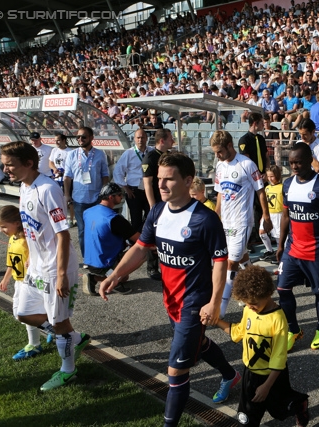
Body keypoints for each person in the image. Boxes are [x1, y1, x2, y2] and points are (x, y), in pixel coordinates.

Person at [99, 152, 242, 426]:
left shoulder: (205, 219)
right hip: (171, 300)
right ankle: (229, 375)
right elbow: (141, 248)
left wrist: (214, 301)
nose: (161, 185)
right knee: (198, 345)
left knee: (175, 372)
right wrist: (115, 275)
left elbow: (220, 263)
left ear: (188, 180)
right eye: (159, 179)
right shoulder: (157, 211)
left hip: (194, 303)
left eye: (169, 179)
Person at [1, 140, 89, 391]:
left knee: (59, 322)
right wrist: (30, 255)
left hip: (54, 268)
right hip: (36, 266)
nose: (6, 169)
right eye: (5, 165)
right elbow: (32, 226)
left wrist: (61, 274)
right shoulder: (25, 187)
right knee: (22, 313)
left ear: (29, 163)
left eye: (10, 165)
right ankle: (73, 338)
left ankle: (68, 370)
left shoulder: (48, 189)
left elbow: (63, 234)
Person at [211, 266, 310, 427]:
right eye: (246, 303)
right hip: (250, 373)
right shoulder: (249, 310)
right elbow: (238, 332)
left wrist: (266, 386)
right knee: (246, 418)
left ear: (267, 294)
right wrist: (216, 321)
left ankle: (299, 405)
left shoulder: (277, 319)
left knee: (280, 411)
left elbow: (279, 357)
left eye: (253, 303)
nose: (250, 306)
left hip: (273, 376)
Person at [276, 143, 319, 351]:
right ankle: (293, 330)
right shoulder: (287, 184)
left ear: (309, 161)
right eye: (291, 163)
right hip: (293, 249)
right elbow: (286, 216)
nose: (294, 166)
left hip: (317, 250)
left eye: (298, 162)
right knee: (282, 289)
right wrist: (280, 244)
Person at [211, 131, 272, 316]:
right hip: (226, 222)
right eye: (215, 152)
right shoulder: (220, 166)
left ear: (230, 145)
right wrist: (216, 215)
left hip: (242, 221)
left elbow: (261, 190)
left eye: (219, 151)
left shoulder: (247, 164)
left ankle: (220, 309)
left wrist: (266, 217)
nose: (217, 155)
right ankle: (261, 287)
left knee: (230, 263)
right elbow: (220, 193)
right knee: (243, 259)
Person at [0, 205, 54, 360]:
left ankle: (35, 344)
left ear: (16, 223)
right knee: (19, 312)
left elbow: (41, 251)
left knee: (26, 312)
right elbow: (11, 261)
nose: (2, 230)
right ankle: (52, 329)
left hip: (32, 282)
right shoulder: (12, 238)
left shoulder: (27, 238)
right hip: (19, 281)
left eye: (3, 227)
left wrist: (31, 258)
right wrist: (6, 278)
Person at [83, 183, 138, 296]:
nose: (122, 197)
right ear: (111, 197)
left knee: (125, 276)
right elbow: (140, 240)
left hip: (89, 261)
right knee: (143, 252)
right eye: (119, 194)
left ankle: (96, 277)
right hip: (105, 263)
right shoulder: (115, 218)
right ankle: (112, 280)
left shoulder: (87, 212)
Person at [63, 126, 110, 258]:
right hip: (79, 200)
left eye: (83, 137)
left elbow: (105, 175)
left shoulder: (100, 154)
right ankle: (87, 258)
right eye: (78, 137)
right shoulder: (72, 155)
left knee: (97, 229)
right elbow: (67, 177)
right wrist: (67, 194)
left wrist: (104, 194)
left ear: (91, 138)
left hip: (96, 199)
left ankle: (98, 256)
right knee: (83, 231)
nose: (80, 139)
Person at [142, 128, 175, 280]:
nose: (172, 141)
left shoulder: (167, 156)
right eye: (170, 139)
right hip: (157, 202)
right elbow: (147, 184)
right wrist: (152, 206)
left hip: (168, 201)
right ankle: (152, 268)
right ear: (162, 141)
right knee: (153, 235)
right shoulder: (150, 158)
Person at [113, 129, 153, 233]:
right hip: (134, 191)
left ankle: (146, 240)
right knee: (136, 219)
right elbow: (118, 172)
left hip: (149, 189)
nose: (140, 140)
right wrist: (126, 188)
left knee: (151, 216)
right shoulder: (129, 153)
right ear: (134, 139)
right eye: (138, 138)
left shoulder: (152, 151)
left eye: (142, 137)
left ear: (146, 138)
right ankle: (136, 242)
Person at [48, 134, 75, 226]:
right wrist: (55, 169)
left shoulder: (70, 152)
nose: (56, 142)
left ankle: (71, 219)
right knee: (56, 199)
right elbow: (50, 162)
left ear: (64, 140)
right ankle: (60, 218)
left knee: (69, 199)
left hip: (66, 179)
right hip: (56, 179)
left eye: (58, 140)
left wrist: (63, 173)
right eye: (55, 140)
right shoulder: (54, 150)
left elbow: (72, 167)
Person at [259, 165, 283, 262]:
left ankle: (280, 256)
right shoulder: (267, 188)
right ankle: (269, 251)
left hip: (278, 214)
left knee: (278, 237)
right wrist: (263, 216)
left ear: (277, 175)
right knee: (262, 232)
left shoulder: (282, 187)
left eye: (272, 176)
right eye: (268, 176)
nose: (270, 179)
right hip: (268, 214)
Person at [238, 112, 270, 178]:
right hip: (251, 177)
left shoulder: (261, 138)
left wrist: (266, 172)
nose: (263, 125)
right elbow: (246, 161)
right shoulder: (244, 140)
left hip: (263, 177)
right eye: (262, 123)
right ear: (255, 123)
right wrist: (256, 175)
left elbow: (266, 157)